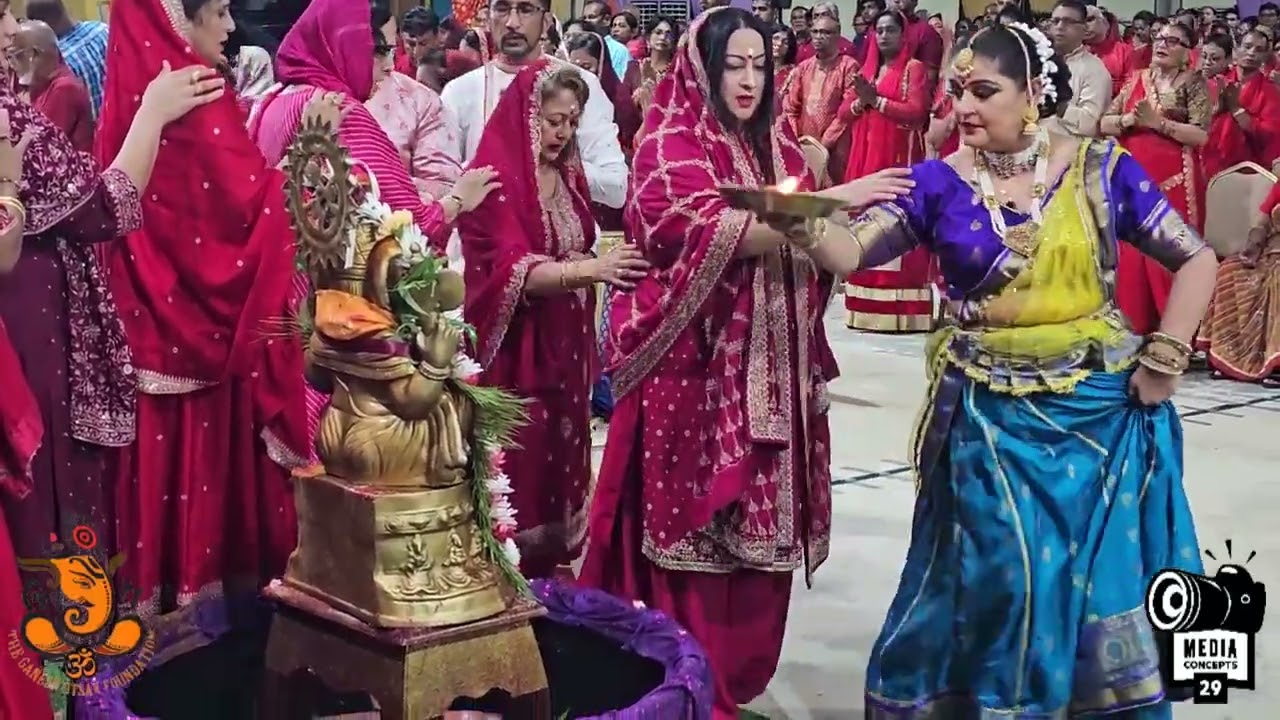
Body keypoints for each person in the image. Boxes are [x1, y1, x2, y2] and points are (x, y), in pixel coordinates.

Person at [832, 23, 1218, 716]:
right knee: (1010, 579)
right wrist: (808, 209)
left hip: (1098, 416)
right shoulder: (939, 182)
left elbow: (1197, 258)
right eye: (958, 92)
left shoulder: (1102, 169)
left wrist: (1166, 356)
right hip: (989, 422)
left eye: (985, 91)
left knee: (1096, 586)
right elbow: (847, 254)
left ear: (1034, 93)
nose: (966, 108)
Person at [578, 8, 913, 718]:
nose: (750, 80)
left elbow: (805, 230)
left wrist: (845, 215)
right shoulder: (669, 140)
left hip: (775, 373)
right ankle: (681, 680)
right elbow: (698, 224)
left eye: (761, 65)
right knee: (689, 532)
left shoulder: (780, 147)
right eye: (735, 65)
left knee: (759, 545)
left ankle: (730, 682)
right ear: (704, 67)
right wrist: (833, 198)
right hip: (692, 374)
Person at [94, 0, 309, 670]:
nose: (229, 28)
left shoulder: (130, 94)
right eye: (216, 10)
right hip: (209, 366)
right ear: (175, 20)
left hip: (140, 355)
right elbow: (246, 217)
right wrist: (300, 184)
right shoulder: (189, 95)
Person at [459, 62, 647, 579]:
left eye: (570, 121)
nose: (562, 133)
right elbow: (509, 269)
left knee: (562, 448)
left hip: (564, 347)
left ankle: (547, 567)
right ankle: (504, 564)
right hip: (516, 350)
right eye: (551, 120)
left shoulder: (568, 177)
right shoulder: (494, 180)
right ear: (525, 116)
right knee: (519, 458)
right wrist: (592, 269)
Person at [442, 0, 627, 212]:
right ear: (488, 18)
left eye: (526, 9)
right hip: (481, 239)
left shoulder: (582, 84)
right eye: (502, 9)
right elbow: (445, 185)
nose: (512, 22)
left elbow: (616, 187)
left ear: (546, 21)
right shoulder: (460, 91)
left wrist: (546, 168)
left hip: (566, 241)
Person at [1100, 21, 1210, 335]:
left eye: (1174, 41)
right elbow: (1104, 123)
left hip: (1177, 180)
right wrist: (1129, 120)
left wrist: (1158, 123)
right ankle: (1132, 326)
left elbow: (1201, 135)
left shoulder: (1193, 83)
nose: (1163, 44)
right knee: (1130, 253)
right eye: (1160, 38)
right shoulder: (1137, 79)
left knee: (1169, 252)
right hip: (1132, 179)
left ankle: (1174, 332)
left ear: (1188, 53)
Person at [840, 10, 932, 332]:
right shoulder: (867, 68)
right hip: (865, 161)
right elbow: (844, 111)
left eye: (890, 29)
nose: (883, 35)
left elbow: (917, 113)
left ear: (903, 34)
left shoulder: (913, 68)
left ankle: (902, 311)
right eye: (878, 30)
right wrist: (860, 102)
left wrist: (875, 101)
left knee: (895, 224)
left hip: (897, 162)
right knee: (863, 227)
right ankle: (864, 306)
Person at [366, 19, 464, 202]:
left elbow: (447, 190)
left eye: (392, 51)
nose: (390, 65)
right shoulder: (307, 101)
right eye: (379, 51)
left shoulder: (420, 100)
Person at [1197, 181, 1280, 385]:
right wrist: (1255, 241)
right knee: (1229, 269)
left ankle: (1276, 362)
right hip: (1271, 251)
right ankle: (1229, 355)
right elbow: (1262, 221)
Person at [782, 14, 861, 183]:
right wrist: (798, 142)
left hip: (837, 146)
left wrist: (823, 144)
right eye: (815, 32)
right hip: (804, 145)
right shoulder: (803, 67)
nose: (819, 37)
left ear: (838, 35)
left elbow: (845, 114)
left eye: (826, 32)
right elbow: (791, 108)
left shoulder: (849, 66)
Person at [1202, 29, 1280, 181]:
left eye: (1259, 50)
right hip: (1208, 162)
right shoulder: (1217, 82)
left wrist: (1237, 110)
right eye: (1247, 46)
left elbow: (1269, 137)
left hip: (1246, 173)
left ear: (1265, 56)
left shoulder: (1271, 93)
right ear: (1236, 50)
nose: (1251, 53)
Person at [10, 19, 93, 152]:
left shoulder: (64, 89)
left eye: (16, 57)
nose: (12, 65)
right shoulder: (42, 86)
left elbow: (37, 147)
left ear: (33, 55)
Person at [24, 0, 108, 118]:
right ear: (64, 9)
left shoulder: (57, 64)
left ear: (38, 27)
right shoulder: (103, 31)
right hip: (131, 127)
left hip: (94, 134)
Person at [1043, 0, 1112, 138]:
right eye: (1055, 21)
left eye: (1068, 21)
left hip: (1070, 151)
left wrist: (1056, 105)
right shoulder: (1039, 60)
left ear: (1084, 29)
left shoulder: (1094, 69)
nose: (1060, 27)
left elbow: (1091, 125)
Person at [633, 15, 680, 113]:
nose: (663, 37)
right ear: (647, 38)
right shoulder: (634, 67)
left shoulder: (677, 70)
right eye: (658, 33)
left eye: (668, 34)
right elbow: (623, 104)